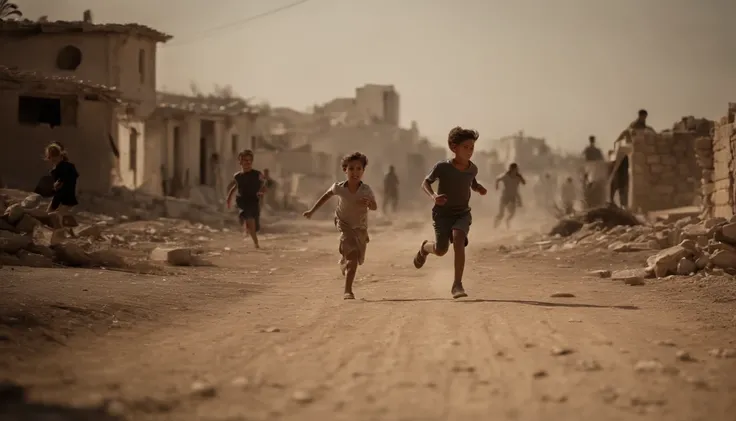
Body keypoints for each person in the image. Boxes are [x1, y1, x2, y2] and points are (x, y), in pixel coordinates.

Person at [413, 127, 487, 299]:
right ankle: (425, 248)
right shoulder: (443, 167)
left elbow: (472, 181)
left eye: (472, 148)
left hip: (462, 213)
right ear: (454, 148)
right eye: (465, 147)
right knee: (441, 250)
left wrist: (478, 188)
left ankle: (457, 284)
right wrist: (434, 196)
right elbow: (426, 182)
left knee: (459, 237)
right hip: (442, 214)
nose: (469, 151)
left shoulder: (472, 169)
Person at [303, 152, 377, 300]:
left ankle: (344, 262)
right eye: (351, 169)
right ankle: (348, 291)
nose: (354, 172)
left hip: (360, 228)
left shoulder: (366, 190)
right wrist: (312, 211)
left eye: (358, 169)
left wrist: (369, 203)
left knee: (358, 257)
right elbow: (325, 196)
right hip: (343, 224)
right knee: (353, 256)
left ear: (363, 171)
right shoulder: (339, 187)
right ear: (345, 170)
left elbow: (375, 206)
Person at [226, 150, 265, 248]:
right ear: (240, 162)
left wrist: (261, 192)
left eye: (249, 160)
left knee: (254, 224)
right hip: (242, 201)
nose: (247, 162)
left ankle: (248, 228)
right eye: (245, 160)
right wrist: (228, 198)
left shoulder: (257, 174)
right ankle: (256, 243)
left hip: (253, 200)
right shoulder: (237, 176)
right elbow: (235, 187)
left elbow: (264, 184)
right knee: (249, 219)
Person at [45, 142, 79, 244]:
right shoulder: (59, 169)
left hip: (66, 197)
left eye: (56, 158)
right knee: (50, 214)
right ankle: (67, 232)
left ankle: (59, 239)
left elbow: (65, 181)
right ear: (49, 158)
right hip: (62, 197)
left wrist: (59, 183)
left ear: (60, 156)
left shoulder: (65, 167)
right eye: (52, 158)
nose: (54, 160)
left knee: (57, 216)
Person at [494, 163, 526, 229]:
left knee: (512, 213)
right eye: (515, 169)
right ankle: (495, 225)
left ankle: (507, 221)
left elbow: (524, 183)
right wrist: (496, 186)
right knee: (501, 214)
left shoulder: (518, 177)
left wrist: (522, 179)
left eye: (517, 169)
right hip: (505, 196)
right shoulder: (506, 176)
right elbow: (497, 179)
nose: (516, 170)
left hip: (513, 197)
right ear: (511, 169)